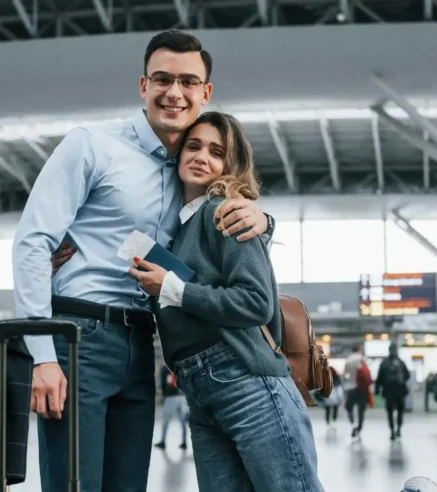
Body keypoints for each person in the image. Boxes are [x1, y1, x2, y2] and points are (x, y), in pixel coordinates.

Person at [12, 30, 274, 492]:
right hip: (80, 339)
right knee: (74, 485)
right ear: (143, 86)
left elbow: (224, 225)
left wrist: (264, 218)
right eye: (163, 79)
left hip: (142, 345)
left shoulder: (189, 172)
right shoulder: (92, 145)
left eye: (188, 82)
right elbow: (33, 242)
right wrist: (41, 358)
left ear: (205, 93)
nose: (175, 93)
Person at [126, 111, 323, 492]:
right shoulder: (179, 229)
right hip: (200, 392)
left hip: (245, 379)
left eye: (216, 152)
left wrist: (172, 288)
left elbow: (256, 303)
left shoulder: (225, 213)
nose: (202, 156)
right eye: (194, 146)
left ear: (229, 167)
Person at [375, 343, 411, 440]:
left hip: (388, 391)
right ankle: (399, 429)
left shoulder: (384, 363)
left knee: (390, 412)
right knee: (400, 411)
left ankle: (392, 431)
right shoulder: (401, 362)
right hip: (400, 390)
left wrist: (377, 389)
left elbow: (379, 378)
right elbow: (407, 375)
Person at [155, 363, 189, 449]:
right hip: (182, 396)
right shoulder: (180, 364)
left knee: (166, 421)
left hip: (171, 397)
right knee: (183, 422)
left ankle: (163, 441)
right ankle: (184, 442)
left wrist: (163, 395)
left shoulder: (164, 368)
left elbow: (163, 382)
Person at [343, 344, 368, 438]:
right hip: (362, 388)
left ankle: (353, 423)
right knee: (361, 410)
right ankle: (359, 428)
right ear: (359, 350)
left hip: (351, 387)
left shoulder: (348, 360)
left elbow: (345, 375)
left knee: (349, 407)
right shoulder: (363, 359)